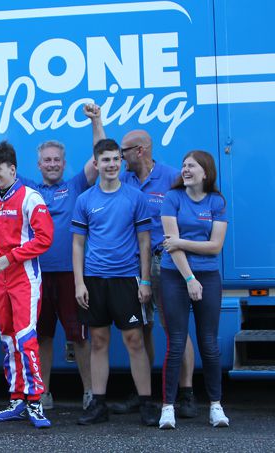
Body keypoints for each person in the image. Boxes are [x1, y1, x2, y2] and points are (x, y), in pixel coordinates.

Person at [0, 109, 98, 411]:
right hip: (34, 276)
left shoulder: (75, 186)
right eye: (47, 160)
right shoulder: (28, 189)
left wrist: (96, 122)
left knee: (79, 337)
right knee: (40, 337)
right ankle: (42, 393)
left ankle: (90, 392)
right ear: (38, 164)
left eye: (57, 159)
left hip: (70, 275)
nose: (52, 164)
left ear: (64, 163)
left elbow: (98, 159)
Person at [88, 109, 196, 417]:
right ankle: (144, 394)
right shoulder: (122, 179)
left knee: (174, 328)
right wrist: (97, 122)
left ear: (140, 150)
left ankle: (186, 394)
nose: (118, 158)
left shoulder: (172, 178)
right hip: (135, 265)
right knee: (142, 328)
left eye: (122, 152)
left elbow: (189, 219)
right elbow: (101, 152)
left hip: (168, 261)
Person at [71, 139, 157, 427]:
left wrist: (145, 281)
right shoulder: (84, 200)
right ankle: (98, 404)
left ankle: (146, 403)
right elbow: (78, 245)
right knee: (98, 341)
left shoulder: (135, 198)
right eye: (105, 160)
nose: (111, 165)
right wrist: (79, 283)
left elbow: (145, 243)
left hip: (127, 279)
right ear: (96, 164)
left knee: (134, 340)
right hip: (95, 280)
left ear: (121, 162)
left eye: (115, 159)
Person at [0, 142, 53, 428]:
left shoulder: (31, 197)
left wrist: (11, 257)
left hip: (25, 278)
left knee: (26, 338)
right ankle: (17, 399)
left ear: (13, 169)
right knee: (7, 338)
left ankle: (35, 402)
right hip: (0, 277)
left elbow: (44, 239)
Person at [158, 150, 229, 429]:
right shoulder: (172, 198)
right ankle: (167, 408)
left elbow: (215, 246)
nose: (185, 170)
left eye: (192, 166)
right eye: (184, 165)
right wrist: (189, 278)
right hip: (175, 275)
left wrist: (182, 242)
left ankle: (215, 406)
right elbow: (170, 246)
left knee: (209, 344)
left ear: (205, 172)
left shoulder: (217, 201)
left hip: (208, 276)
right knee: (176, 343)